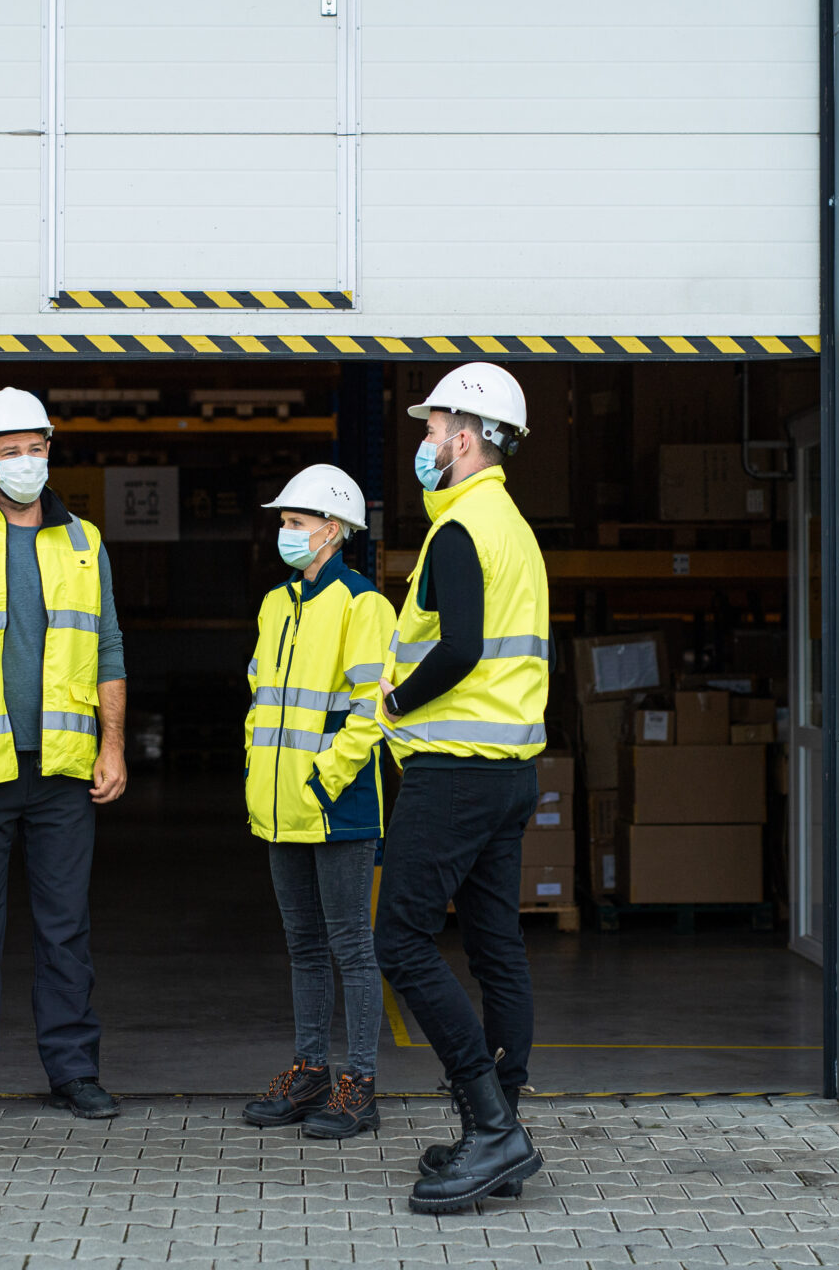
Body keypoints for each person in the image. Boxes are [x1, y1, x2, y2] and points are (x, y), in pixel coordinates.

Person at [0, 387, 128, 1127]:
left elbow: (107, 644)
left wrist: (113, 744)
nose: (26, 461)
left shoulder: (84, 542)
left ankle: (73, 1071)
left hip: (64, 768)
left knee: (65, 926)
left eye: (36, 448)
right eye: (10, 451)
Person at [373, 362, 549, 1214]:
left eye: (433, 428)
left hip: (455, 770)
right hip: (511, 770)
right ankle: (501, 1130)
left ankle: (490, 1126)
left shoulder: (458, 531)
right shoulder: (511, 523)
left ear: (466, 438)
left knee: (399, 943)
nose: (425, 442)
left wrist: (396, 700)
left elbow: (464, 646)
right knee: (495, 951)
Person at [240, 465, 397, 1139]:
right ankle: (310, 1074)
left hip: (337, 807)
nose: (285, 533)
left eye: (296, 523)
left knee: (350, 948)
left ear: (331, 531)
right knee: (304, 945)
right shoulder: (276, 604)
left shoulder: (365, 606)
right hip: (279, 809)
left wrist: (324, 777)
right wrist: (257, 771)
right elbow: (259, 702)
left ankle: (358, 1084)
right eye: (283, 522)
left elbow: (371, 709)